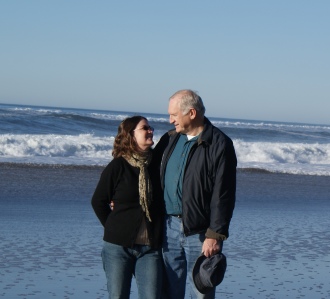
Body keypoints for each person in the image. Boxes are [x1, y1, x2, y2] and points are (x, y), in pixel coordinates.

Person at [155, 89, 237, 299]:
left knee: (200, 293)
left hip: (201, 233)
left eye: (174, 114)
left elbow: (223, 194)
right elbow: (148, 173)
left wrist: (215, 235)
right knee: (169, 292)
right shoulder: (170, 139)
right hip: (168, 227)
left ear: (191, 113)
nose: (170, 119)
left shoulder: (219, 143)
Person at [91, 116, 164, 299]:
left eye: (150, 127)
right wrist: (114, 227)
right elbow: (98, 201)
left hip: (150, 248)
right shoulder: (118, 166)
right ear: (131, 135)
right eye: (145, 128)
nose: (150, 131)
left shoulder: (158, 165)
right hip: (118, 247)